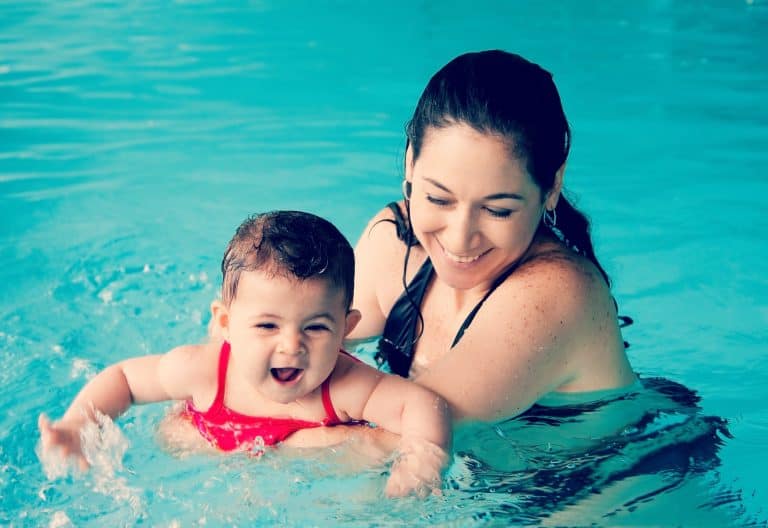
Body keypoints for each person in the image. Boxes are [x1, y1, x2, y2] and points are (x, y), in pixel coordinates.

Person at [38, 211, 451, 497]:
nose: (292, 346)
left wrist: (421, 462)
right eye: (267, 326)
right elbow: (126, 380)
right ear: (226, 324)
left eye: (316, 327)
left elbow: (422, 403)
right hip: (211, 444)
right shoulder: (205, 371)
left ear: (347, 328)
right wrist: (78, 423)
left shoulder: (344, 387)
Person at [350, 49, 637, 421]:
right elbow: (292, 351)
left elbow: (406, 437)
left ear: (551, 187)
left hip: (603, 476)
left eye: (497, 210)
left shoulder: (557, 295)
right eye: (438, 198)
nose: (459, 238)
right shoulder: (395, 242)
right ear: (410, 163)